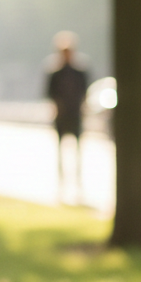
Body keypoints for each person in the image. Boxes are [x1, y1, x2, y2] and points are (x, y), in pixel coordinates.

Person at [45, 30, 89, 200]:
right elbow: (50, 93)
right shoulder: (55, 72)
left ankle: (78, 184)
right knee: (60, 151)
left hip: (75, 114)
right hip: (62, 116)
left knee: (78, 151)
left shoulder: (80, 71)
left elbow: (84, 92)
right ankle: (61, 184)